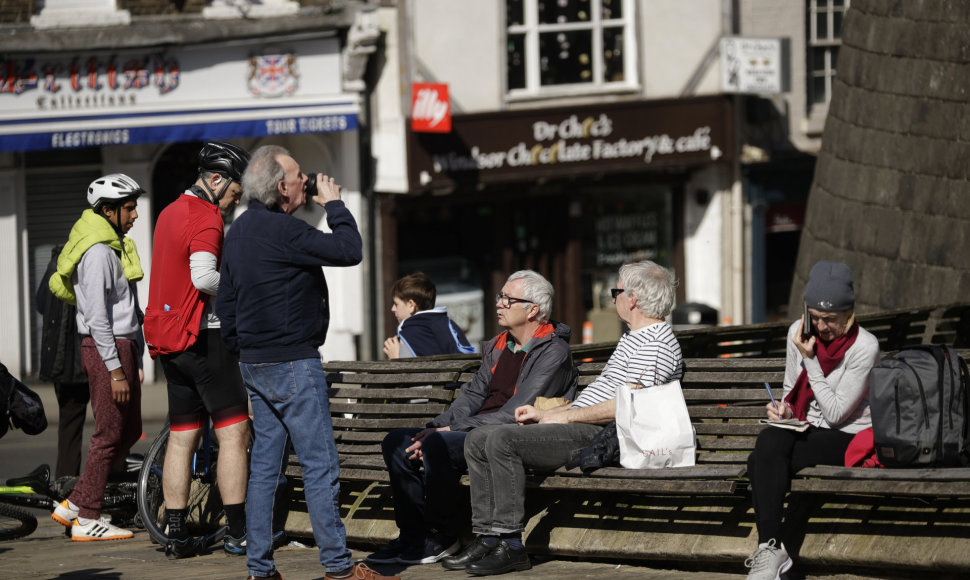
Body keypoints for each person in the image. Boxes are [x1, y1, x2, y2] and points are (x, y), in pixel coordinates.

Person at [216, 145, 397, 580]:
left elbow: (226, 302)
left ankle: (260, 570)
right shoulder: (283, 231)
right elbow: (350, 249)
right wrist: (334, 202)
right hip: (294, 361)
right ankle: (338, 568)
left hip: (256, 364)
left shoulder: (238, 231)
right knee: (320, 467)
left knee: (264, 469)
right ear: (281, 187)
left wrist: (244, 350)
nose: (306, 180)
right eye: (299, 176)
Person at [445, 260, 683, 575]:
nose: (613, 298)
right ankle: (489, 537)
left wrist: (565, 419)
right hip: (581, 424)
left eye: (616, 291)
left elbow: (627, 407)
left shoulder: (656, 345)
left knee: (502, 439)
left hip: (602, 435)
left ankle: (512, 545)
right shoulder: (633, 339)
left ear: (634, 299)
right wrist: (548, 413)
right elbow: (600, 396)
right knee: (477, 439)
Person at [369, 270, 578, 566]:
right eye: (500, 297)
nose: (499, 304)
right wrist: (433, 426)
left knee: (437, 445)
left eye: (508, 299)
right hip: (474, 428)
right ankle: (412, 535)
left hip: (507, 434)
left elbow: (516, 411)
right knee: (398, 442)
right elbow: (471, 396)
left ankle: (443, 536)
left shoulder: (553, 351)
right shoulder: (498, 345)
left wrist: (448, 430)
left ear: (533, 310)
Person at [143, 141, 256, 558]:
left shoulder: (169, 211)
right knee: (233, 434)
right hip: (206, 337)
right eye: (233, 193)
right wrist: (246, 293)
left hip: (170, 342)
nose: (233, 202)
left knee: (182, 437)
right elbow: (205, 276)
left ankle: (176, 534)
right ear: (215, 179)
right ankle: (239, 532)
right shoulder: (206, 218)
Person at [743, 260, 879, 580]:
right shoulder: (797, 331)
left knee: (759, 461)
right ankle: (772, 550)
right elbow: (792, 394)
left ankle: (771, 554)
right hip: (809, 428)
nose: (820, 326)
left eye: (830, 319)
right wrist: (784, 412)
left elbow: (835, 415)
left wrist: (811, 359)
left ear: (849, 314)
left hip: (850, 435)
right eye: (814, 316)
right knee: (768, 441)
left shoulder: (864, 347)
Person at [48, 173, 146, 541]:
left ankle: (75, 503)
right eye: (129, 208)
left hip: (123, 349)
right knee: (107, 434)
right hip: (107, 350)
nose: (135, 215)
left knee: (130, 429)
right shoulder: (98, 254)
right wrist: (116, 370)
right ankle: (87, 518)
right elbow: (97, 318)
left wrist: (134, 362)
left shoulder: (113, 247)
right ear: (108, 211)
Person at [36, 244, 89, 479]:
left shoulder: (53, 264)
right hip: (87, 358)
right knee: (111, 431)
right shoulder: (91, 260)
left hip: (60, 362)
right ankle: (112, 490)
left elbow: (40, 303)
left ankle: (64, 492)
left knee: (69, 428)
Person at [382, 271, 476, 359]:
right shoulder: (449, 325)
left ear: (411, 305)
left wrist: (395, 358)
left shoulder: (409, 334)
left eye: (396, 304)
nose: (393, 309)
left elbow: (411, 376)